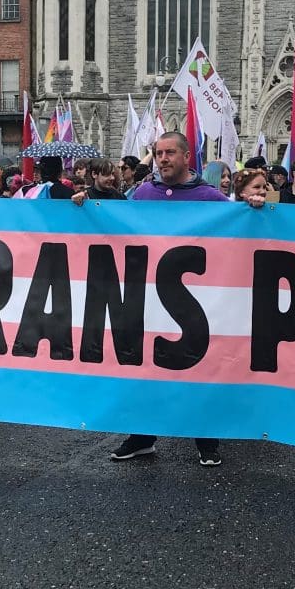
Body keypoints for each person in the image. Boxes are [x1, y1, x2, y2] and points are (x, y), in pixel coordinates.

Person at [111, 131, 228, 467]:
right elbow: (115, 227)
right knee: (148, 369)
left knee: (197, 369)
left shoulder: (210, 198)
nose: (162, 159)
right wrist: (84, 207)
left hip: (195, 301)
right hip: (149, 298)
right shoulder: (144, 193)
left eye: (169, 153)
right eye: (158, 153)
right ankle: (141, 438)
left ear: (186, 156)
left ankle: (207, 442)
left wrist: (254, 208)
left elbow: (242, 236)